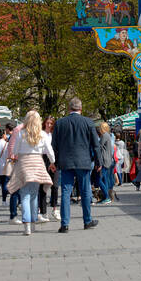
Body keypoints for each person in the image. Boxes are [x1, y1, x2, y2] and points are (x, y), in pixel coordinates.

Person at [51, 98, 100, 233]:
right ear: (81, 109)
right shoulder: (88, 122)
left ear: (69, 108)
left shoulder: (60, 123)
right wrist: (98, 162)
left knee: (66, 192)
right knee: (85, 191)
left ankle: (65, 224)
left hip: (65, 162)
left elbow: (54, 145)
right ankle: (87, 220)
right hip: (83, 162)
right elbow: (96, 145)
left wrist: (53, 162)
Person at [8, 110, 55, 235]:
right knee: (34, 195)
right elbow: (49, 150)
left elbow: (15, 150)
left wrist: (15, 155)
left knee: (24, 195)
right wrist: (52, 162)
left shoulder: (21, 133)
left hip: (24, 163)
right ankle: (33, 222)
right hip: (37, 163)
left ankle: (27, 224)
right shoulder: (42, 134)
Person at [96, 121, 117, 204]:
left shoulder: (104, 136)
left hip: (104, 160)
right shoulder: (108, 136)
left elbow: (99, 147)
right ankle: (106, 197)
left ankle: (107, 197)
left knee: (100, 180)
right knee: (105, 179)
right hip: (108, 160)